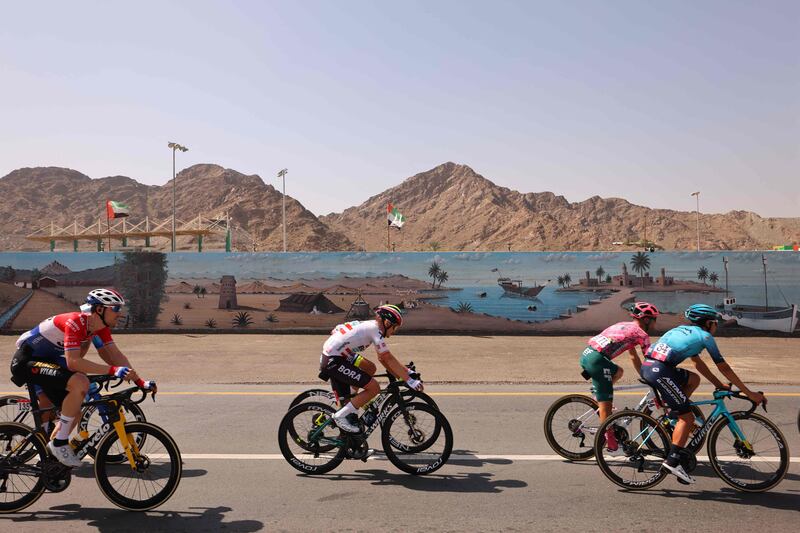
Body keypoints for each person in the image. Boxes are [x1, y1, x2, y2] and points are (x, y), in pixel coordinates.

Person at [10, 288, 155, 467]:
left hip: (48, 361)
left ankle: (50, 457)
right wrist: (112, 370)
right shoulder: (76, 322)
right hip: (27, 361)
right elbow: (73, 362)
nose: (119, 313)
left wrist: (140, 381)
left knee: (74, 410)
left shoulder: (99, 328)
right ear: (100, 310)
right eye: (116, 309)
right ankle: (59, 444)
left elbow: (114, 356)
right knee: (79, 382)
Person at [640, 303, 764, 484]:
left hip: (651, 367)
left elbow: (698, 364)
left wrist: (718, 384)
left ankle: (674, 412)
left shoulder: (682, 330)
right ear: (707, 323)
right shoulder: (705, 337)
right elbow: (724, 367)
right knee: (688, 418)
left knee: (693, 379)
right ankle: (672, 461)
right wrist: (749, 393)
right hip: (661, 372)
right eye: (715, 323)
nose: (716, 326)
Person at [320, 304, 422, 433]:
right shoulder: (375, 331)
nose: (394, 332)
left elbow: (382, 358)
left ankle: (351, 400)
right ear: (387, 322)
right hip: (334, 359)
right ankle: (340, 416)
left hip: (340, 355)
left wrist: (405, 373)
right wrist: (409, 380)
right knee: (374, 387)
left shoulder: (373, 327)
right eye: (394, 327)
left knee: (370, 368)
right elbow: (387, 357)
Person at [579, 302, 660, 452]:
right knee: (606, 406)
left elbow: (633, 357)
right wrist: (653, 376)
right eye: (654, 319)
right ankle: (610, 442)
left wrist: (644, 375)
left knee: (618, 372)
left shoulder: (624, 325)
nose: (656, 322)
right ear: (647, 320)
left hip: (588, 354)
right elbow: (650, 361)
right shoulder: (642, 335)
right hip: (597, 361)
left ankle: (600, 395)